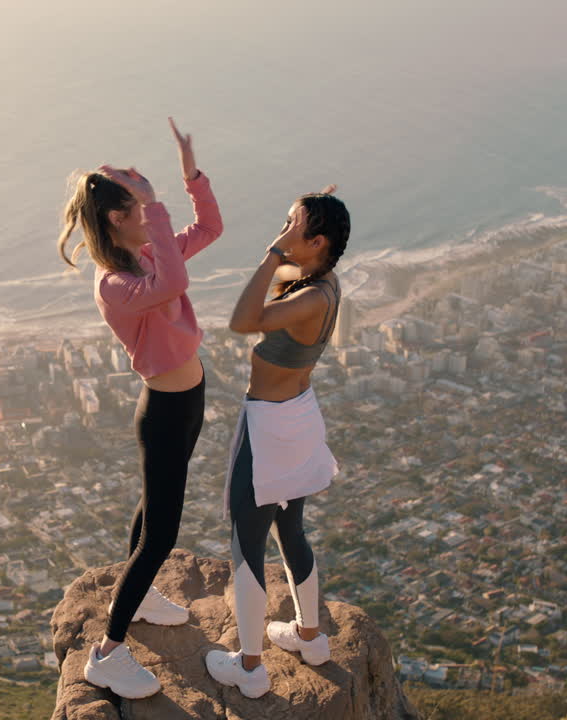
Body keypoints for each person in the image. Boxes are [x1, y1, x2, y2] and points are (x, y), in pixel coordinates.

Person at [56, 118, 223, 699]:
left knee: (152, 511)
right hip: (165, 409)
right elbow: (174, 284)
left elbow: (210, 228)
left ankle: (143, 594)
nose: (151, 215)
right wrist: (155, 205)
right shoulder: (114, 284)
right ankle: (108, 651)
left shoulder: (150, 252)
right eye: (140, 208)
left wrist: (190, 173)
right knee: (161, 534)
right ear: (117, 219)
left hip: (191, 395)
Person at [204, 188, 349, 698]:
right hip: (299, 418)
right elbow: (266, 285)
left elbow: (242, 321)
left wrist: (273, 250)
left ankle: (248, 667)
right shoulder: (322, 281)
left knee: (247, 541)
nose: (284, 231)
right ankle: (309, 637)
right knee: (291, 529)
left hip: (267, 426)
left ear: (318, 241)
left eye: (294, 226)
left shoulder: (310, 297)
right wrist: (287, 248)